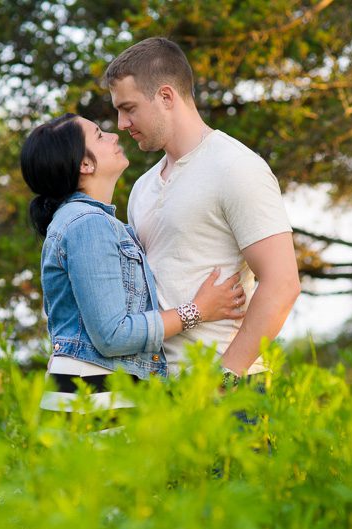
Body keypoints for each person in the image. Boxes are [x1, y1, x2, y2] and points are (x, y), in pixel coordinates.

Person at [20, 113, 246, 419]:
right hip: (93, 392)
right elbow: (112, 334)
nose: (114, 136)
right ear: (84, 164)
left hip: (93, 390)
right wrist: (198, 311)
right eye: (100, 135)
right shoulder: (88, 224)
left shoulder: (88, 222)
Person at [103, 37, 301, 381]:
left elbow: (282, 283)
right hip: (157, 391)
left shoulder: (235, 166)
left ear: (166, 97)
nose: (121, 124)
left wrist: (223, 379)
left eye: (129, 108)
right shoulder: (142, 188)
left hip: (225, 391)